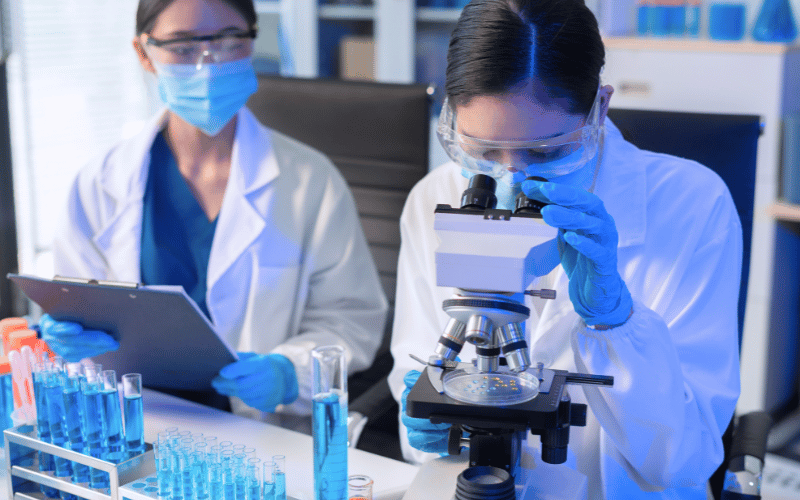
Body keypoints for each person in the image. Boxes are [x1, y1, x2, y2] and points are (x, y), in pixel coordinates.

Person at [389, 0, 741, 498]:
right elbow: (416, 390)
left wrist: (616, 322)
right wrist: (425, 422)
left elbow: (683, 461)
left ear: (600, 107)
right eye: (483, 152)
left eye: (547, 152)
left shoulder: (692, 205)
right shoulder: (433, 198)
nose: (510, 179)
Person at [41, 0, 387, 424]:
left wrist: (288, 371)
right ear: (143, 53)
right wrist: (68, 332)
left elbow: (351, 317)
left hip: (261, 432)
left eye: (228, 40)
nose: (208, 61)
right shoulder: (99, 182)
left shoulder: (310, 180)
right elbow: (76, 302)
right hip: (133, 422)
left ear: (252, 41)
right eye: (183, 46)